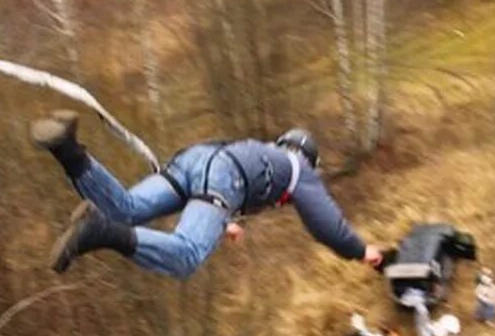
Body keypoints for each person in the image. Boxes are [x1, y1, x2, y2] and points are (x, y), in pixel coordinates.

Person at [30, 110, 383, 278]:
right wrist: (358, 250)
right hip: (222, 177)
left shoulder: (265, 152)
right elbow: (326, 223)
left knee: (126, 208)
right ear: (308, 157)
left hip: (195, 160)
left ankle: (68, 150)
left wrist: (222, 220)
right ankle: (98, 231)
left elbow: (225, 173)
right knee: (186, 255)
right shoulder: (298, 170)